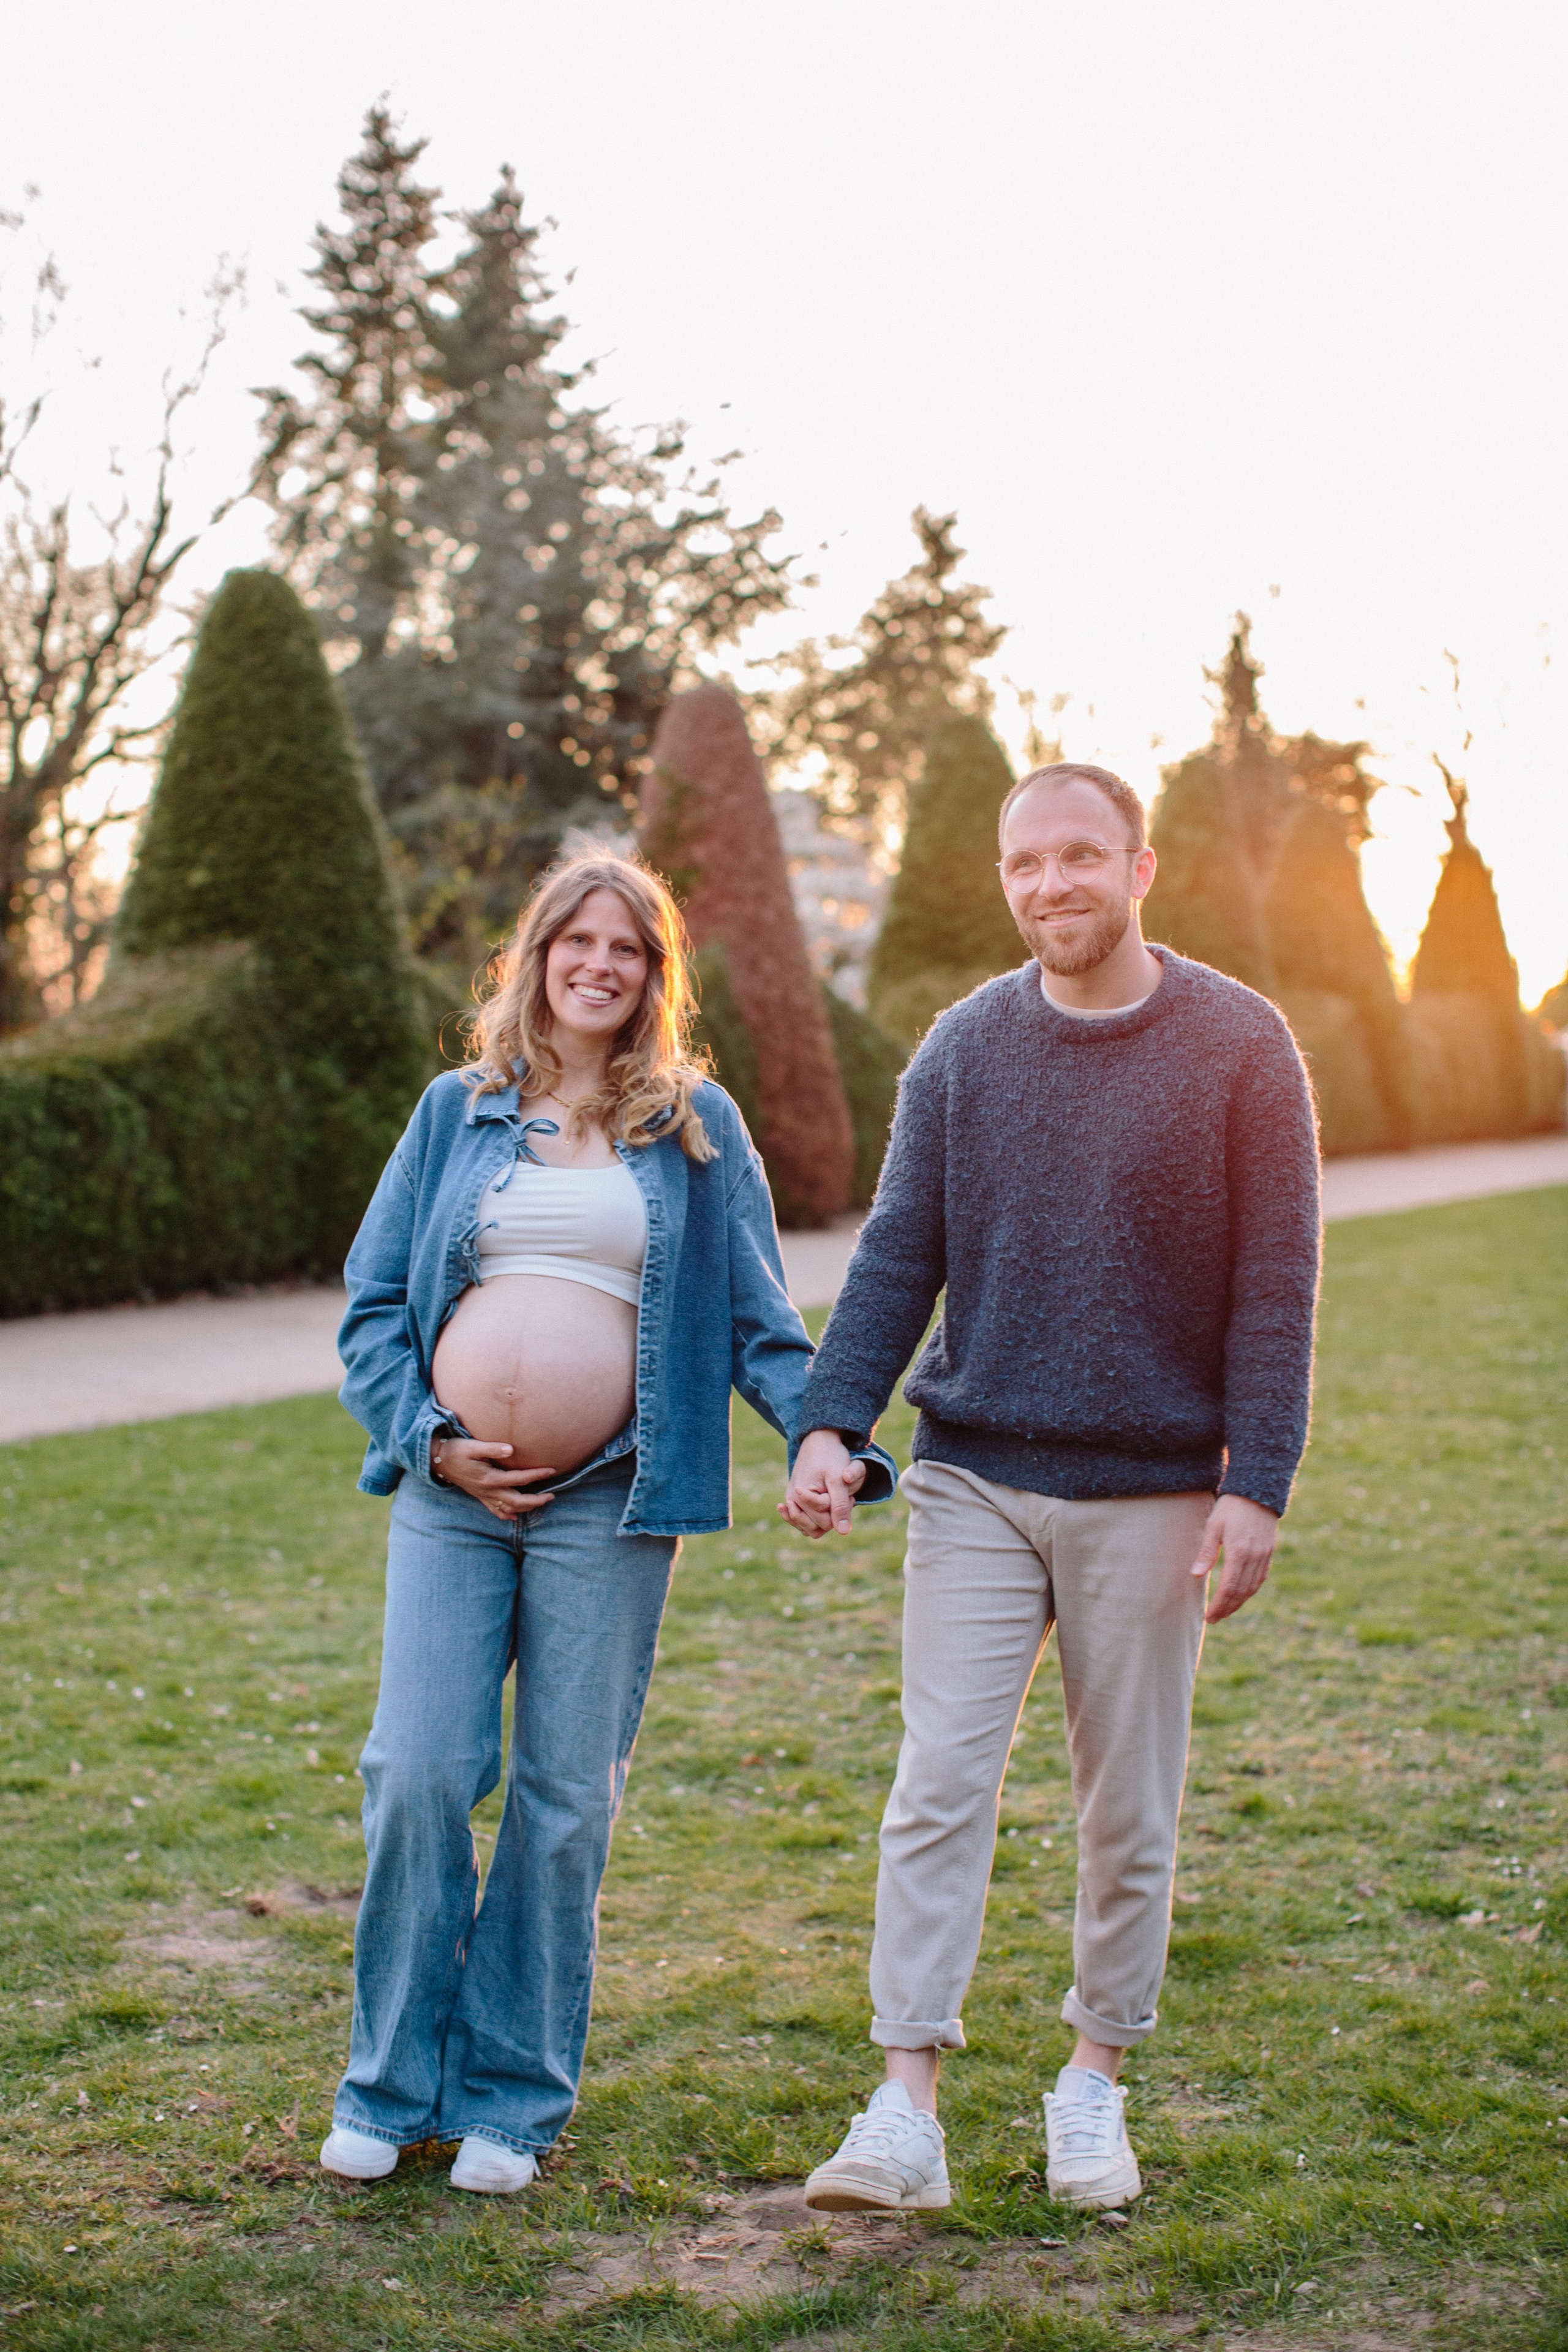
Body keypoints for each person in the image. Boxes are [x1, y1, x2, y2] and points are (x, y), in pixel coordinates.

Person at [783, 762, 1319, 2214]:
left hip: (1151, 1488)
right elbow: (900, 1250)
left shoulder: (1238, 1045)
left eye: (1079, 857)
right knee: (937, 1784)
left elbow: (1277, 1284)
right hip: (972, 1475)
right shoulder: (963, 1047)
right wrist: (830, 1421)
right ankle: (903, 2109)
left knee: (1124, 1806)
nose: (1048, 887)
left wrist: (1253, 1480)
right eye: (1023, 865)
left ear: (1140, 871)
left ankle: (1092, 2082)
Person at [321, 851, 893, 2194]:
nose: (597, 963)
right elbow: (366, 1317)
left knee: (563, 1802)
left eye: (625, 948)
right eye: (574, 940)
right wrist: (432, 1443)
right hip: (450, 1499)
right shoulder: (453, 1113)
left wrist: (828, 1439)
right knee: (415, 1774)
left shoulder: (692, 1124)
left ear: (652, 975)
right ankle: (391, 2086)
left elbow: (759, 1321)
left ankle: (511, 2101)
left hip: (612, 1502)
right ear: (533, 958)